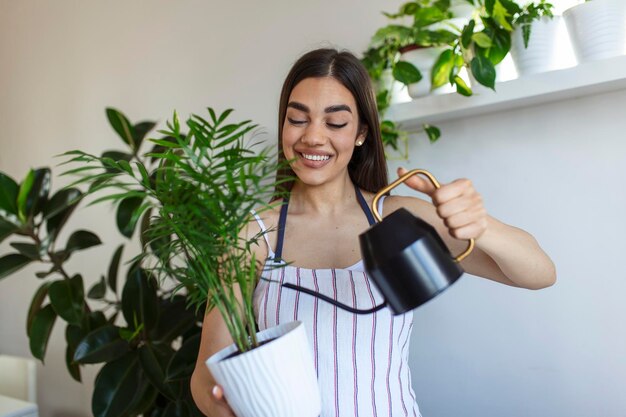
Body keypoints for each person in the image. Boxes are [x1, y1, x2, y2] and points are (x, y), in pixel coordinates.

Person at [189, 48, 556, 417]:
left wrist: (481, 224)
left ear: (362, 133)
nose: (313, 137)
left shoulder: (397, 219)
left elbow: (540, 273)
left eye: (335, 123)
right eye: (297, 119)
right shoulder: (252, 235)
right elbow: (208, 373)